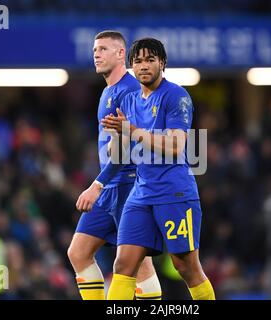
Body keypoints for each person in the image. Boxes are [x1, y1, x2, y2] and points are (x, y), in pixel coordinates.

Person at [101, 37, 215, 300]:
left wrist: (131, 131)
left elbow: (176, 146)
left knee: (185, 266)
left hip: (174, 192)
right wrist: (115, 142)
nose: (144, 66)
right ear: (131, 65)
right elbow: (121, 149)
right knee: (123, 265)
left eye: (150, 59)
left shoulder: (176, 96)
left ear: (162, 63)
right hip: (141, 194)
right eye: (138, 61)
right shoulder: (128, 101)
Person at [67, 31, 161, 300]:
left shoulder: (132, 91)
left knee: (137, 261)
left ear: (121, 54)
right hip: (111, 185)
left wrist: (96, 185)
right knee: (79, 252)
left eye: (104, 49)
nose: (96, 54)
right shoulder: (109, 91)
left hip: (129, 186)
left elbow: (129, 149)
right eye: (95, 49)